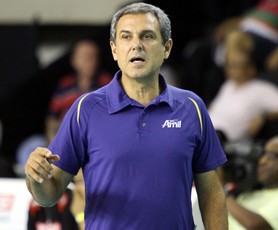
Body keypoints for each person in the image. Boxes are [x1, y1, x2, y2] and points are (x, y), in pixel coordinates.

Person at [25, 2, 228, 229]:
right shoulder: (86, 109)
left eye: (147, 36)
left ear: (167, 47)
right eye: (126, 37)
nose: (136, 45)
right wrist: (36, 176)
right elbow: (49, 196)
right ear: (114, 49)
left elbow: (212, 193)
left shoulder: (192, 107)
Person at [208, 30, 278, 142]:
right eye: (229, 65)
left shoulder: (261, 89)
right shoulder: (227, 86)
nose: (231, 70)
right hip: (202, 135)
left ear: (251, 69)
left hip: (226, 145)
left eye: (236, 66)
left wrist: (264, 117)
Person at [225, 134, 278, 229]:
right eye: (263, 154)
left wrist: (221, 191)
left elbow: (257, 227)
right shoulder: (246, 196)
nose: (262, 161)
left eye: (272, 155)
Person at [46, 39, 112, 142]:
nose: (91, 61)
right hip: (67, 140)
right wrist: (53, 144)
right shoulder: (64, 85)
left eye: (94, 57)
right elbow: (52, 119)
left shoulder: (107, 84)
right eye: (85, 57)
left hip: (97, 140)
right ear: (74, 61)